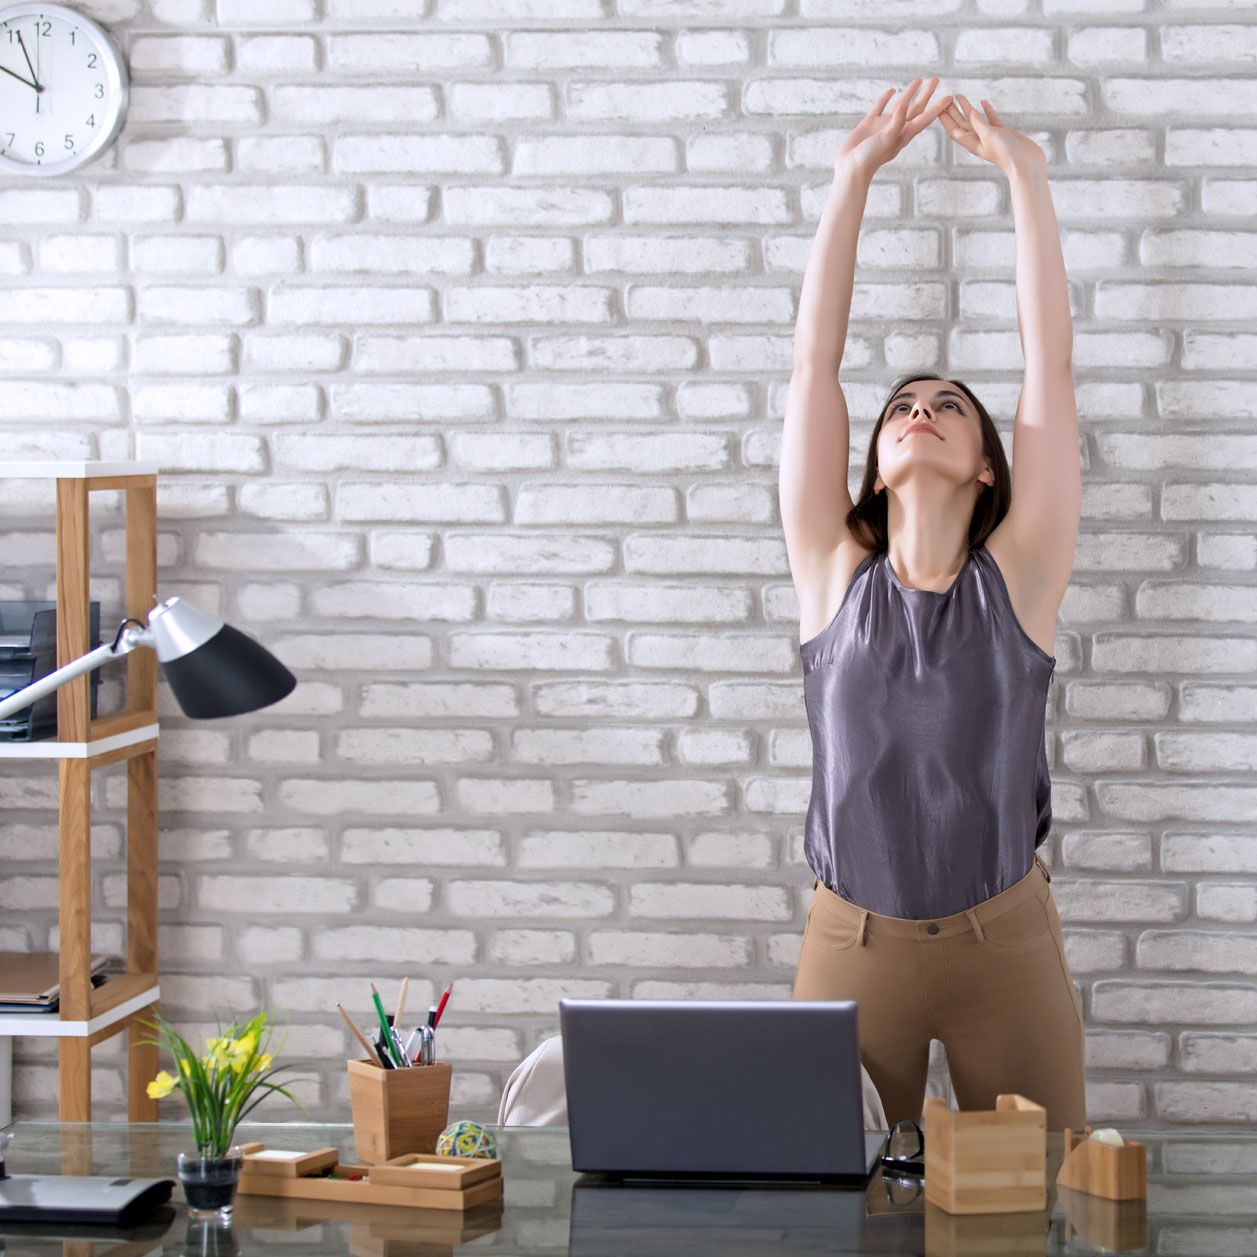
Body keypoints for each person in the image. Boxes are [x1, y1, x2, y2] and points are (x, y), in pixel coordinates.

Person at [780, 77, 1086, 1131]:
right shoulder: (830, 573)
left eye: (949, 407)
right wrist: (850, 178)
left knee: (1038, 1208)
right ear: (870, 465)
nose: (920, 413)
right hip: (848, 945)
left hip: (1008, 946)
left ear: (989, 472)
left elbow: (1049, 369)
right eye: (903, 406)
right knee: (825, 1212)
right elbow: (812, 367)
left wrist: (1027, 179)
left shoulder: (1024, 579)